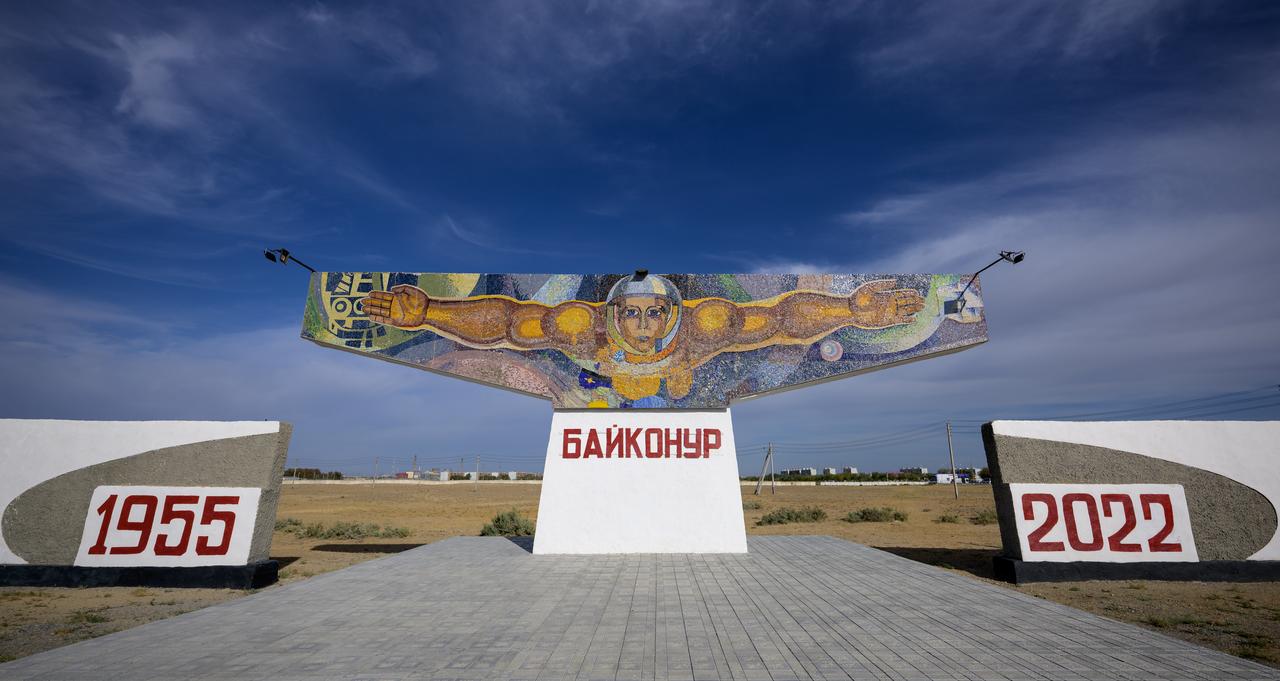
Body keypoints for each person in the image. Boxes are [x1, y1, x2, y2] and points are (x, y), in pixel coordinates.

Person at [361, 271, 924, 402]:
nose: (643, 327)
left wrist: (851, 309)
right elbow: (509, 322)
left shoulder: (707, 325)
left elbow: (779, 318)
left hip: (681, 386)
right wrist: (431, 311)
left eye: (653, 314)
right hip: (597, 382)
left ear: (673, 312)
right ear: (613, 313)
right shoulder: (580, 327)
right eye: (630, 315)